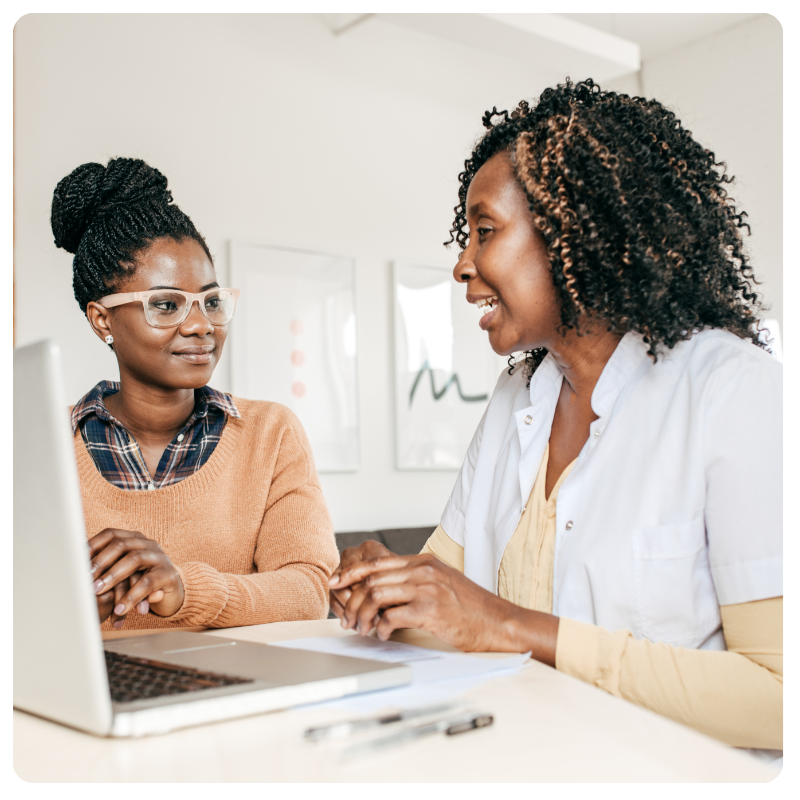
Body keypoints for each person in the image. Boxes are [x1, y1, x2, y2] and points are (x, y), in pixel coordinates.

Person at [330, 79, 783, 754]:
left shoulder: (732, 393)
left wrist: (511, 626)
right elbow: (449, 615)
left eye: (485, 231)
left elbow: (774, 697)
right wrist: (387, 589)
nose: (461, 264)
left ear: (574, 231)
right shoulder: (519, 397)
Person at [51, 157, 339, 632]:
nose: (202, 324)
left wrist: (184, 590)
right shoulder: (42, 445)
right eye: (166, 305)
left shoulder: (270, 434)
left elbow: (310, 590)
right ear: (102, 319)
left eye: (210, 301)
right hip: (86, 698)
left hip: (231, 696)